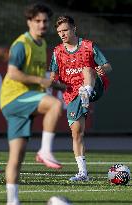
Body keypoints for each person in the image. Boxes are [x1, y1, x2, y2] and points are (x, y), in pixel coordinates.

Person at [0, 3, 63, 205]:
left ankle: (12, 201)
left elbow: (37, 77)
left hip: (21, 100)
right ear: (29, 22)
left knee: (16, 158)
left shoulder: (42, 44)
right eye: (37, 21)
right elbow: (13, 73)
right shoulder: (22, 44)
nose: (42, 25)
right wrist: (40, 81)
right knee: (54, 105)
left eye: (45, 21)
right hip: (15, 97)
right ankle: (45, 150)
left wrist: (55, 85)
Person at [50, 16, 112, 181]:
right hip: (73, 94)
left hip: (95, 86)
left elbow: (108, 65)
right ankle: (83, 173)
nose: (62, 34)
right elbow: (53, 77)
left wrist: (102, 69)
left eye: (65, 30)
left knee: (87, 69)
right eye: (59, 32)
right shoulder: (57, 52)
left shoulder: (88, 46)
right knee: (77, 133)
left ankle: (87, 90)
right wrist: (50, 82)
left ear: (74, 29)